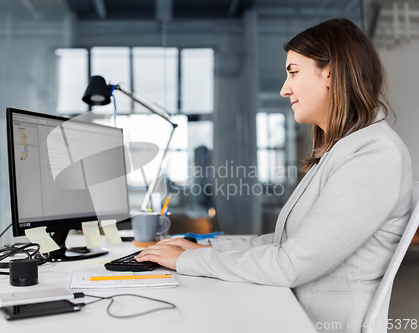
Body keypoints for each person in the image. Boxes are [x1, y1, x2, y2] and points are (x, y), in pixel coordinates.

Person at [135, 18, 413, 332]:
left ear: (331, 73)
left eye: (293, 71)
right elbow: (287, 243)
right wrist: (203, 248)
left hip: (318, 323)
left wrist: (187, 261)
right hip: (293, 310)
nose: (284, 89)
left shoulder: (373, 154)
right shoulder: (347, 148)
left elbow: (292, 263)